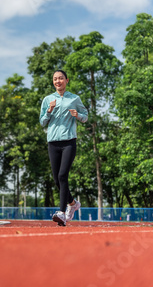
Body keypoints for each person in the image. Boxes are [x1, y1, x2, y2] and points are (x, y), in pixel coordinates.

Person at [39, 70, 88, 226]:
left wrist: (77, 115)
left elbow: (85, 116)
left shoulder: (74, 99)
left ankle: (61, 213)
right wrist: (49, 110)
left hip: (69, 142)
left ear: (67, 80)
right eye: (55, 79)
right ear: (53, 82)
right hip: (53, 142)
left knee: (62, 175)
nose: (58, 81)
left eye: (60, 78)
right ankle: (73, 204)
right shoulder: (48, 99)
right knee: (56, 180)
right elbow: (42, 122)